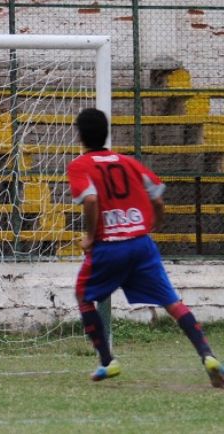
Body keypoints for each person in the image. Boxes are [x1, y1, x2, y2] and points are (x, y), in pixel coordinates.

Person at [67, 108, 224, 386]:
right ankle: (208, 356)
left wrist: (90, 237)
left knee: (83, 295)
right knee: (172, 302)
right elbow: (159, 198)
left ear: (80, 136)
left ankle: (107, 361)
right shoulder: (129, 163)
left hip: (109, 246)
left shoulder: (80, 165)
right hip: (141, 244)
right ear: (108, 133)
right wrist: (155, 223)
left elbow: (90, 200)